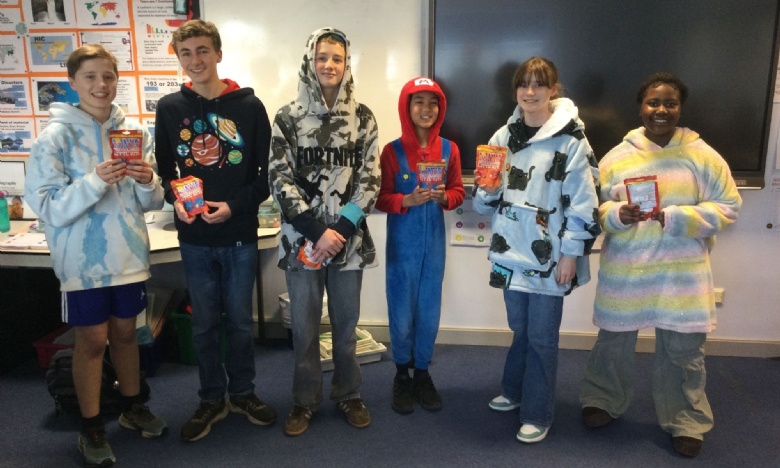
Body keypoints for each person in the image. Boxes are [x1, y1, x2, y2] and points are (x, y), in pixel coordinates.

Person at [579, 72, 742, 458]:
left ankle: (686, 420)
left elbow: (728, 206)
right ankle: (602, 399)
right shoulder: (617, 157)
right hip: (628, 268)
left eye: (670, 103)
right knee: (613, 341)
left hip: (681, 272)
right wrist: (618, 213)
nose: (661, 110)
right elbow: (595, 208)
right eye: (654, 102)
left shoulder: (702, 156)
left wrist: (678, 217)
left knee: (684, 350)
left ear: (680, 108)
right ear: (641, 107)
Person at [25, 44, 167, 467]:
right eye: (90, 76)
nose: (101, 85)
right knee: (91, 341)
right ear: (73, 82)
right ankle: (90, 426)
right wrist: (94, 181)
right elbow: (48, 207)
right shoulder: (55, 138)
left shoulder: (133, 133)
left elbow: (151, 202)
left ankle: (132, 406)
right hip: (82, 263)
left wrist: (148, 180)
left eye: (108, 76)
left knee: (126, 335)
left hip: (129, 255)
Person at [155, 19, 276, 442]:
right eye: (186, 53)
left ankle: (243, 393)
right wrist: (176, 201)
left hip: (238, 233)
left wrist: (233, 207)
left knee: (240, 322)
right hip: (194, 238)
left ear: (219, 54)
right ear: (179, 58)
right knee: (204, 324)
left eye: (203, 51)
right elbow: (166, 171)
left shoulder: (249, 107)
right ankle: (211, 398)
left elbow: (266, 177)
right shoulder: (169, 108)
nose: (195, 60)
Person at [473, 56, 601, 444]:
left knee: (542, 337)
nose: (530, 92)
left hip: (550, 259)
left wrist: (570, 255)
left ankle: (537, 413)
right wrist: (487, 190)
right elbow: (484, 203)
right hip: (509, 253)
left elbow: (584, 204)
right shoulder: (502, 137)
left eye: (539, 84)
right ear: (516, 90)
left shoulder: (571, 141)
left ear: (552, 90)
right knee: (521, 330)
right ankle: (514, 392)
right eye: (524, 84)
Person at [268, 27, 381, 437]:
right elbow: (279, 179)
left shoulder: (363, 117)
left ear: (346, 63)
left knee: (347, 328)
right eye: (322, 57)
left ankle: (348, 393)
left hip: (348, 242)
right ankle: (305, 400)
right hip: (303, 242)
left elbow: (370, 179)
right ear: (309, 61)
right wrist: (317, 231)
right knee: (304, 329)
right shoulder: (288, 117)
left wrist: (341, 229)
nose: (329, 65)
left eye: (337, 58)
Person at [375, 77, 465, 414]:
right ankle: (402, 373)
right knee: (400, 310)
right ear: (407, 107)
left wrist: (445, 197)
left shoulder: (450, 150)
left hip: (434, 247)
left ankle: (423, 372)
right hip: (402, 246)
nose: (426, 109)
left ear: (441, 108)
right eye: (419, 102)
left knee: (429, 309)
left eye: (433, 102)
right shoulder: (392, 151)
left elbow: (458, 191)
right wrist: (406, 200)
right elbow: (380, 198)